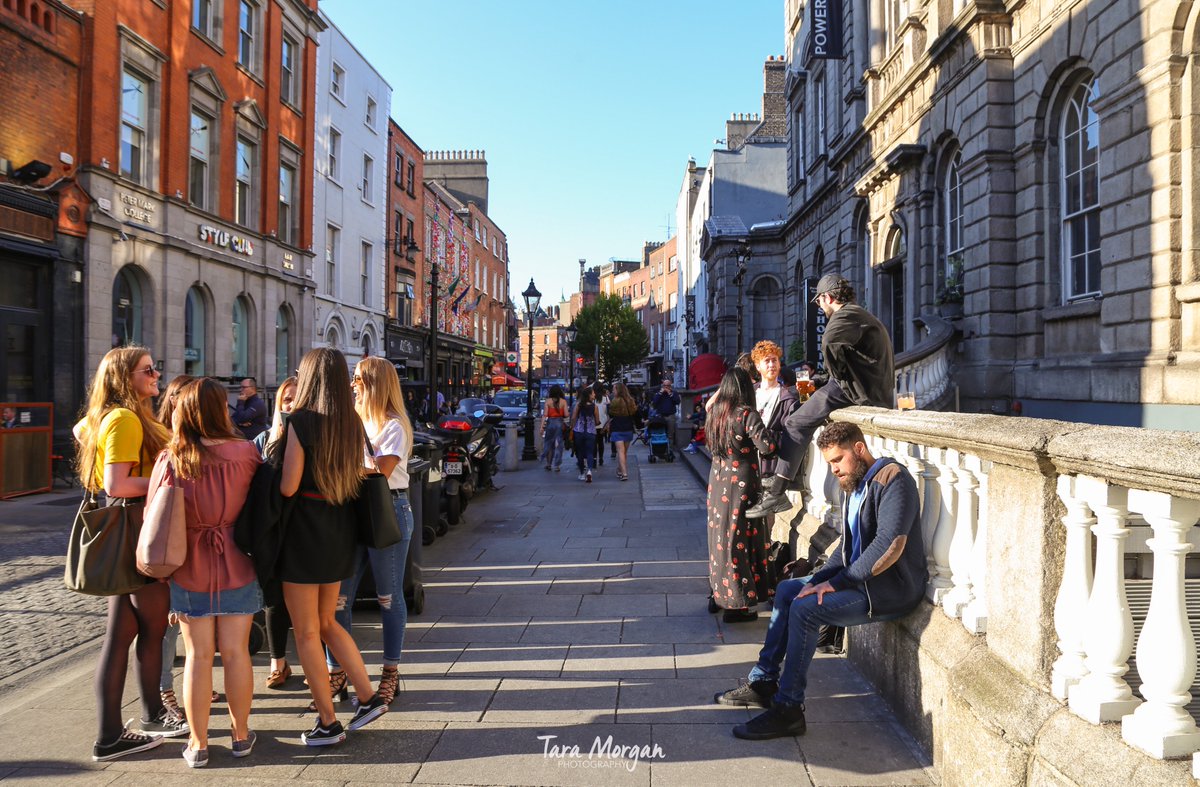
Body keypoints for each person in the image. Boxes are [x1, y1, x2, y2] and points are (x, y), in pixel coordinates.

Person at [716, 421, 925, 739]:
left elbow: (890, 546)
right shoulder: (855, 484)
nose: (834, 470)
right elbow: (847, 548)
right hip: (860, 581)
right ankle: (764, 682)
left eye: (837, 460)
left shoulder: (893, 479)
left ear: (859, 449)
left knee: (807, 609)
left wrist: (837, 583)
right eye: (829, 464)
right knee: (788, 590)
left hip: (888, 589)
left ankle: (788, 709)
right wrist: (822, 578)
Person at [73, 346, 188, 762]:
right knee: (151, 630)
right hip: (136, 531)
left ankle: (122, 728)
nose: (157, 374)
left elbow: (80, 430)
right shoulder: (123, 418)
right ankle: (146, 718)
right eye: (148, 370)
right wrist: (166, 476)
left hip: (129, 532)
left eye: (156, 367)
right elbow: (117, 485)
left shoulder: (112, 416)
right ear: (125, 379)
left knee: (121, 635)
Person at [147, 378, 263, 767]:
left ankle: (198, 744)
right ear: (220, 409)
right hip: (238, 559)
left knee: (197, 657)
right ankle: (241, 735)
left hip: (189, 562)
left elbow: (156, 518)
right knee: (236, 653)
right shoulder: (247, 453)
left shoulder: (172, 457)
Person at [277, 348, 386, 746]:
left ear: (308, 379)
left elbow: (288, 485)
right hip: (339, 532)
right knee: (326, 623)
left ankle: (327, 721)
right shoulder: (350, 421)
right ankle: (369, 696)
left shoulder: (300, 422)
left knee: (306, 632)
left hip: (306, 532)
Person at [747, 275, 894, 518]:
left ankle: (777, 493)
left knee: (795, 421)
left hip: (857, 391)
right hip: (867, 387)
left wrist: (835, 374)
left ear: (828, 297)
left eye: (819, 302)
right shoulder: (859, 314)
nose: (820, 307)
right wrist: (826, 377)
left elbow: (828, 341)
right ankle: (786, 477)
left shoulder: (844, 315)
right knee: (800, 404)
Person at [323, 356, 415, 708]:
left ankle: (390, 672)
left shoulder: (394, 426)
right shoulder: (351, 422)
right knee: (337, 600)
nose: (352, 384)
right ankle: (339, 669)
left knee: (388, 597)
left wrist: (337, 462)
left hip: (387, 509)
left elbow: (379, 470)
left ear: (374, 384)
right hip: (352, 509)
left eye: (358, 378)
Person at [705, 368, 777, 623]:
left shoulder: (714, 413)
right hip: (742, 484)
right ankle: (739, 604)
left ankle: (719, 595)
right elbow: (767, 447)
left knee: (721, 537)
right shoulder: (746, 413)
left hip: (717, 481)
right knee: (741, 538)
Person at [154, 374, 195, 721]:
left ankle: (189, 685)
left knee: (183, 620)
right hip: (164, 542)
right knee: (166, 623)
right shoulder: (162, 437)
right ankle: (165, 690)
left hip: (187, 541)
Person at [253, 376, 297, 691]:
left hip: (302, 530)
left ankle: (326, 668)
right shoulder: (263, 440)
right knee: (273, 599)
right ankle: (278, 663)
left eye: (298, 400)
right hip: (271, 528)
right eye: (286, 400)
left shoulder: (311, 438)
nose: (291, 406)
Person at [751, 341, 801, 500]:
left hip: (770, 465)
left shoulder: (787, 397)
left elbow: (791, 435)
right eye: (767, 361)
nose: (772, 364)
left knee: (768, 514)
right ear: (758, 366)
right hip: (748, 462)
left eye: (775, 360)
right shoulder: (749, 394)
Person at [606, 383, 638, 481]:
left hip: (617, 428)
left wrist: (608, 406)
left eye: (614, 389)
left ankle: (624, 473)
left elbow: (610, 414)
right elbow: (635, 413)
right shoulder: (630, 401)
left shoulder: (614, 402)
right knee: (624, 452)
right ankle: (620, 470)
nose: (612, 391)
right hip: (628, 428)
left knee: (620, 451)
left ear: (618, 390)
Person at [569, 386, 598, 483]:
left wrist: (572, 427)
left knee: (580, 453)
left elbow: (573, 418)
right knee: (590, 452)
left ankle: (581, 473)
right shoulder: (595, 406)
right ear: (589, 395)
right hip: (590, 432)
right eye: (593, 393)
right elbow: (597, 421)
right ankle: (589, 471)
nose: (594, 395)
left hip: (579, 431)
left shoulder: (578, 405)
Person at [540, 385, 568, 472]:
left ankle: (548, 464)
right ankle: (557, 465)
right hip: (559, 423)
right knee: (559, 445)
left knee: (549, 444)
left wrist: (541, 427)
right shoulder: (563, 402)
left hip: (550, 424)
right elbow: (566, 415)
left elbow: (545, 415)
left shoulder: (548, 401)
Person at [649, 378, 682, 447]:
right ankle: (661, 448)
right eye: (665, 385)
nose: (666, 387)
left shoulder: (674, 393)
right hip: (661, 416)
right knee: (660, 432)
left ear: (670, 386)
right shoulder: (659, 393)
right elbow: (654, 402)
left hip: (671, 416)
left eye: (668, 386)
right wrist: (660, 393)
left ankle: (670, 449)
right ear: (662, 386)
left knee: (670, 433)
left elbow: (677, 402)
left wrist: (670, 394)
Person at [592, 382, 609, 468]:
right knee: (601, 441)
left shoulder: (592, 399)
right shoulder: (605, 398)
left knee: (594, 443)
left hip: (594, 423)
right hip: (603, 423)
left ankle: (594, 459)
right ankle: (601, 458)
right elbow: (607, 412)